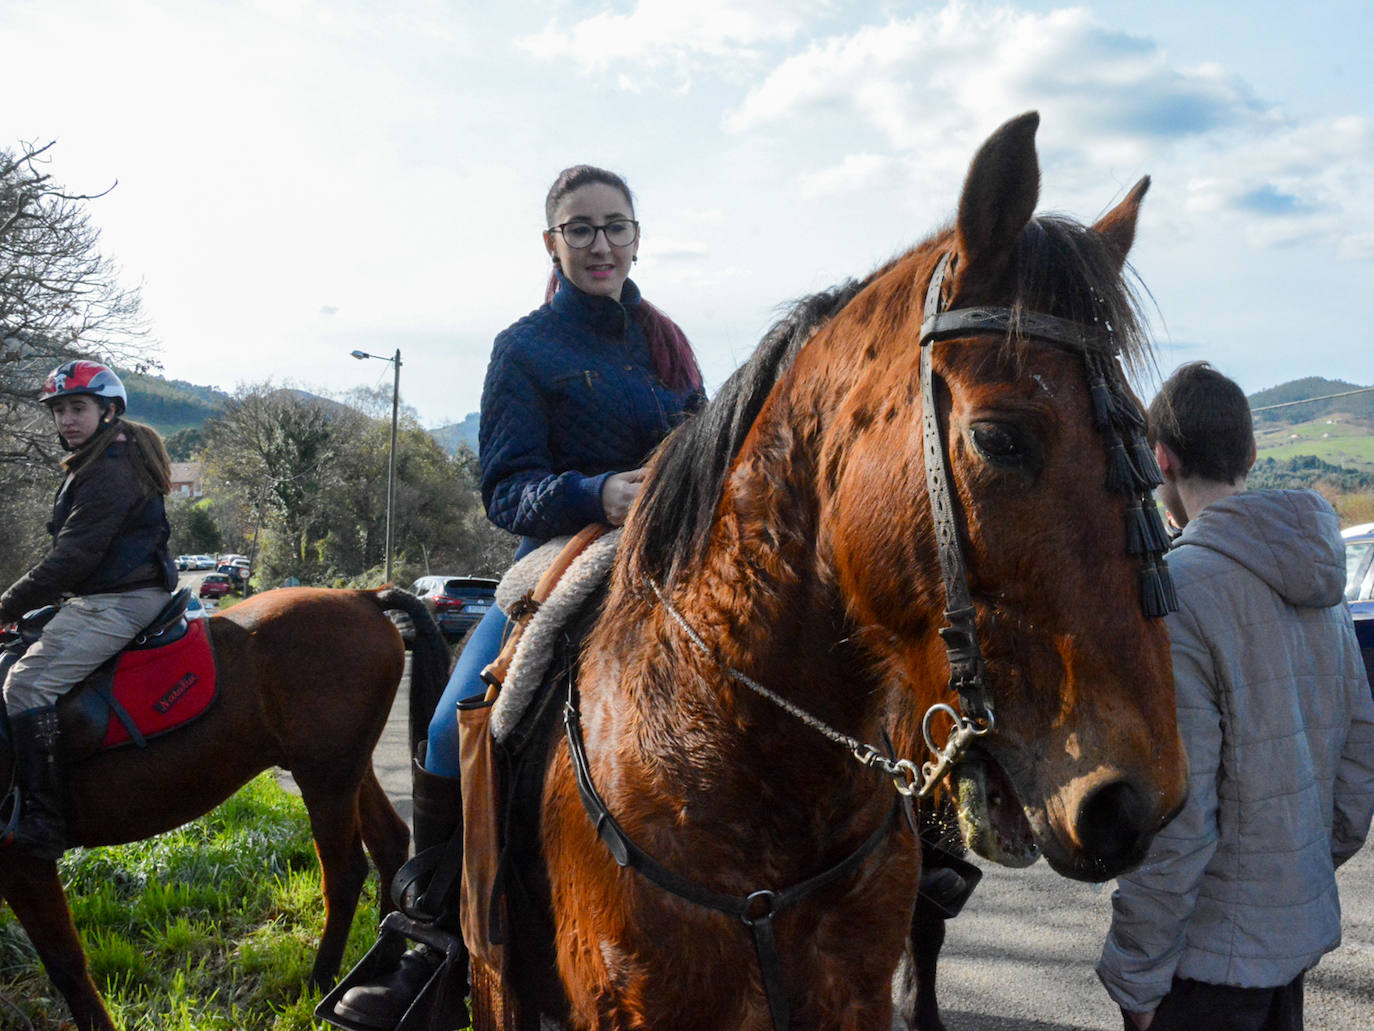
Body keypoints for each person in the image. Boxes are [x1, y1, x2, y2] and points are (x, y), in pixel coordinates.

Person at [329, 165, 704, 1029]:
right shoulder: (525, 347)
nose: (601, 242)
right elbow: (506, 488)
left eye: (615, 226)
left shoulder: (670, 344)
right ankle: (430, 936)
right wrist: (598, 492)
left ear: (638, 237)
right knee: (447, 724)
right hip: (565, 550)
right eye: (581, 228)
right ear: (553, 244)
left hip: (679, 548)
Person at [1097, 362, 1374, 1031]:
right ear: (1251, 454)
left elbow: (1178, 820)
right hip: (1289, 949)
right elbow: (1358, 771)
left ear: (1160, 458)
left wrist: (1134, 973)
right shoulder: (1322, 580)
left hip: (1203, 972)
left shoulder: (1179, 594)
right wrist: (1289, 876)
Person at [0, 360, 178, 860]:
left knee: (27, 683)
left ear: (108, 410)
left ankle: (44, 818)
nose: (67, 420)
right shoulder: (99, 460)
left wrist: (6, 605)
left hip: (120, 600)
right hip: (101, 595)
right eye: (59, 411)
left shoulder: (110, 469)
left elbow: (73, 557)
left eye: (78, 407)